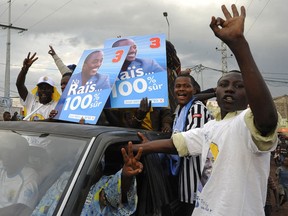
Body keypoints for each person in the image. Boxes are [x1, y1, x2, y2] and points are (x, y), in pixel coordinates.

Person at [130, 4, 280, 215]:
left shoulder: (249, 122)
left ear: (250, 95)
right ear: (215, 91)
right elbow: (177, 143)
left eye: (239, 86)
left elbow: (266, 120)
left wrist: (239, 45)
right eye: (224, 84)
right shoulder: (211, 127)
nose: (229, 89)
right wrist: (142, 148)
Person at [32, 141, 143, 216]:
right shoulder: (67, 177)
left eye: (95, 166)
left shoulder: (105, 183)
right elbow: (43, 206)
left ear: (101, 167)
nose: (87, 170)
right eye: (82, 164)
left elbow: (115, 195)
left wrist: (125, 176)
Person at [164, 73, 212, 215]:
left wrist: (150, 147)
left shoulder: (197, 109)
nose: (181, 89)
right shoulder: (180, 111)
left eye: (186, 86)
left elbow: (189, 143)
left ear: (194, 90)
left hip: (196, 185)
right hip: (184, 184)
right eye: (178, 86)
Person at [0, 133, 39, 215]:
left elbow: (21, 208)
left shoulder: (29, 175)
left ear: (21, 155)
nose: (5, 155)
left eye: (10, 152)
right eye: (4, 150)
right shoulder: (2, 168)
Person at [16, 52, 60, 121]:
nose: (43, 90)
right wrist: (24, 70)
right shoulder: (30, 100)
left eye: (47, 88)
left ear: (53, 90)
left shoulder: (57, 106)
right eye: (41, 88)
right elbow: (19, 85)